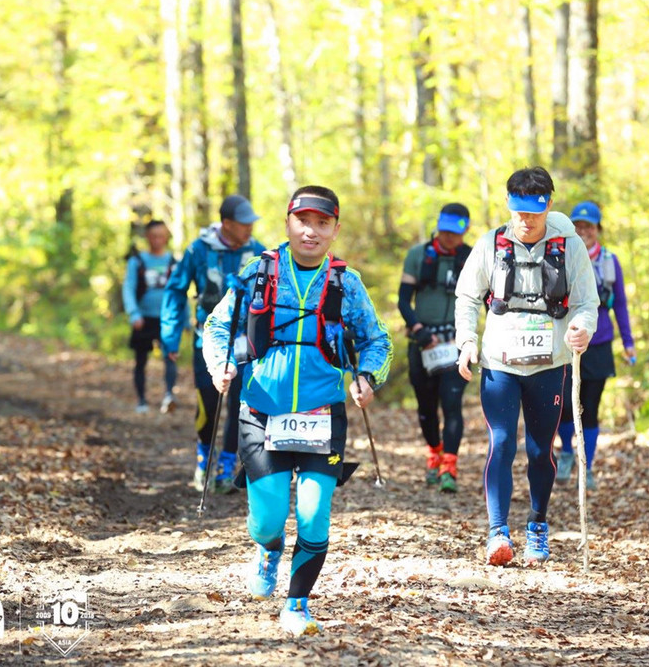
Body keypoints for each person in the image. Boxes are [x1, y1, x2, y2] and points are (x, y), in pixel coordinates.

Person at [203, 185, 392, 636]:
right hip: (261, 409)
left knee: (313, 513)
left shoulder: (347, 282)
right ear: (288, 222)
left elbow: (378, 341)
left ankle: (297, 602)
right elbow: (217, 325)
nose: (311, 231)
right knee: (267, 520)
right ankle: (268, 550)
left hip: (322, 413)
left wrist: (367, 378)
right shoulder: (259, 271)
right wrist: (220, 364)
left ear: (335, 230)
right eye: (303, 221)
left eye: (322, 223)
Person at [454, 167, 598, 566]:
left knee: (540, 449)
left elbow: (587, 303)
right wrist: (466, 343)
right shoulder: (490, 245)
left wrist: (582, 329)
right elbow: (467, 297)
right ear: (508, 205)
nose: (525, 221)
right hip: (500, 362)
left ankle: (537, 525)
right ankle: (498, 533)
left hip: (550, 364)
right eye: (518, 212)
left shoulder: (569, 246)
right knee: (501, 442)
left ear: (549, 205)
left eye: (534, 213)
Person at [161, 195, 266, 493]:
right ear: (227, 224)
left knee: (240, 402)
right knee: (208, 401)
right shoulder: (198, 250)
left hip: (246, 343)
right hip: (204, 341)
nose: (249, 228)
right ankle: (204, 456)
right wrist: (170, 336)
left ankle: (227, 464)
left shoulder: (258, 252)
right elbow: (175, 291)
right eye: (244, 223)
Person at [555, 201, 636, 491]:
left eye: (589, 226)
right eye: (578, 225)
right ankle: (566, 451)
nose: (583, 230)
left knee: (590, 407)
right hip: (564, 339)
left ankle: (585, 465)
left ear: (598, 229)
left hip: (598, 341)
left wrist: (628, 342)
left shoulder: (609, 261)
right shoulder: (560, 255)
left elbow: (621, 304)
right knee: (563, 403)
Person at [398, 203, 472, 493]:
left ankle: (449, 467)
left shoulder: (470, 257)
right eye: (445, 231)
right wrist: (418, 329)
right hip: (423, 342)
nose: (449, 237)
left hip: (456, 343)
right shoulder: (419, 255)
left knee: (452, 404)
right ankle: (434, 452)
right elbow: (404, 300)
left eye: (455, 233)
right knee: (427, 408)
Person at [122, 219, 179, 415]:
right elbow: (128, 288)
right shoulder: (136, 261)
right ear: (147, 237)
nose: (157, 240)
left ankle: (169, 395)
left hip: (168, 319)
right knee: (140, 360)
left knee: (170, 357)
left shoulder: (173, 262)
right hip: (143, 319)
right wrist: (134, 313)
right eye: (153, 236)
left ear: (166, 237)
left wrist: (184, 317)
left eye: (161, 236)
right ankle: (141, 400)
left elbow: (179, 290)